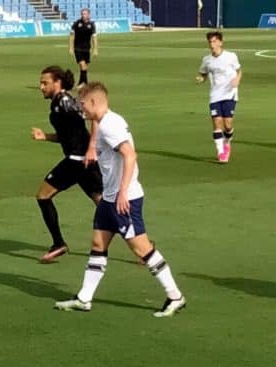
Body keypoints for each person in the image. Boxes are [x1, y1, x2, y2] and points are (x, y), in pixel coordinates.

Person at [54, 82, 186, 317]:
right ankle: (84, 298)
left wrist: (123, 192)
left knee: (140, 248)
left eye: (82, 103)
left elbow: (130, 155)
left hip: (124, 199)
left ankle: (175, 296)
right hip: (110, 198)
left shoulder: (110, 125)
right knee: (98, 243)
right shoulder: (104, 122)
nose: (80, 108)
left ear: (94, 102)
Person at [31, 66, 103, 263]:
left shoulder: (65, 102)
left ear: (58, 83)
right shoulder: (57, 103)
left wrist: (92, 147)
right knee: (103, 204)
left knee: (43, 196)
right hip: (82, 161)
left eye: (45, 83)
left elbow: (94, 116)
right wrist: (45, 136)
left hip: (77, 161)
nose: (41, 87)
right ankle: (143, 246)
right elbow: (68, 135)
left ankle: (58, 243)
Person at [196, 31, 242, 163]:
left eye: (215, 41)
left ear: (220, 42)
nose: (212, 44)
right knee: (217, 123)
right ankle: (221, 151)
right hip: (215, 95)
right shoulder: (206, 60)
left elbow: (239, 71)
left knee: (227, 125)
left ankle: (227, 142)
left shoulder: (231, 56)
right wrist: (201, 78)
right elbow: (203, 73)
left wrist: (237, 80)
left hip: (230, 93)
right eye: (210, 42)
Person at [69, 8, 98, 87]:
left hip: (87, 48)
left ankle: (82, 83)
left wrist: (95, 49)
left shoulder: (91, 24)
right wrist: (71, 48)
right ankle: (83, 83)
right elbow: (71, 36)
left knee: (85, 67)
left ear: (88, 14)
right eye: (82, 14)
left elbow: (94, 37)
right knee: (82, 65)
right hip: (78, 48)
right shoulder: (77, 23)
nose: (83, 15)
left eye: (85, 14)